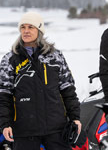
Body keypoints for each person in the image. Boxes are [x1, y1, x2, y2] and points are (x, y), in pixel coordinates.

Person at [0, 12, 81, 150]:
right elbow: (3, 95)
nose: (26, 31)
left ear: (39, 30)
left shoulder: (55, 56)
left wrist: (75, 117)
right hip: (24, 130)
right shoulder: (10, 59)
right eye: (23, 27)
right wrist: (5, 123)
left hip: (56, 130)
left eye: (30, 27)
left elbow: (68, 89)